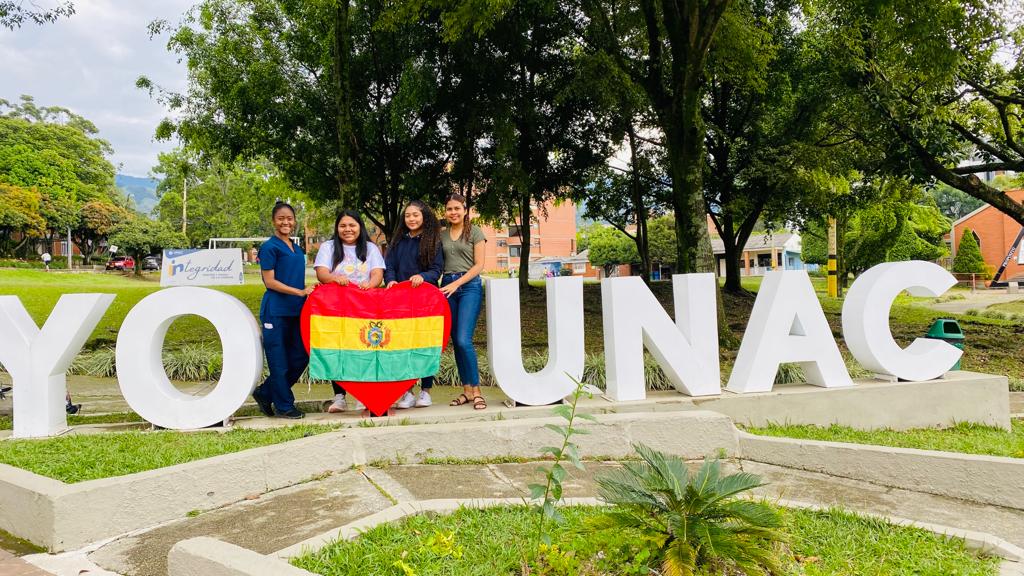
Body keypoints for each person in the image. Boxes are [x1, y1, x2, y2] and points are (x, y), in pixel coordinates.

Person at [314, 211, 386, 413]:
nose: (347, 229)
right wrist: (335, 279)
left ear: (360, 227)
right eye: (343, 225)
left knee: (363, 349)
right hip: (335, 309)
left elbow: (377, 274)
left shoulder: (370, 248)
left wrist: (369, 284)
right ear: (337, 228)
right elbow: (322, 273)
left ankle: (363, 396)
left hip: (364, 309)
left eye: (352, 225)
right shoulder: (328, 247)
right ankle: (339, 397)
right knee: (338, 350)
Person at [252, 202, 315, 419]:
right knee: (278, 359)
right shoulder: (270, 247)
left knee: (301, 356)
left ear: (294, 221)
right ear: (273, 221)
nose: (285, 222)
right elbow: (269, 282)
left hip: (296, 311)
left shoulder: (296, 248)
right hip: (275, 311)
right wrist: (299, 292)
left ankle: (265, 392)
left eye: (289, 218)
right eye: (281, 218)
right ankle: (284, 405)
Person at [385, 200, 444, 409]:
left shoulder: (433, 240)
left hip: (425, 302)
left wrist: (423, 276)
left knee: (425, 345)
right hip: (400, 301)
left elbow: (437, 270)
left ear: (424, 216)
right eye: (408, 215)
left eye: (415, 215)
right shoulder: (398, 241)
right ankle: (407, 392)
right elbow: (389, 266)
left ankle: (425, 391)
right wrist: (390, 280)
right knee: (403, 345)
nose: (411, 219)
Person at [440, 193, 487, 410]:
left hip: (469, 287)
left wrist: (457, 284)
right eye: (449, 209)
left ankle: (477, 390)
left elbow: (479, 265)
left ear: (465, 210)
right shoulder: (442, 235)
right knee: (455, 342)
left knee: (463, 340)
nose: (453, 212)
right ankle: (466, 391)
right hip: (447, 287)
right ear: (445, 211)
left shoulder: (475, 232)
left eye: (457, 208)